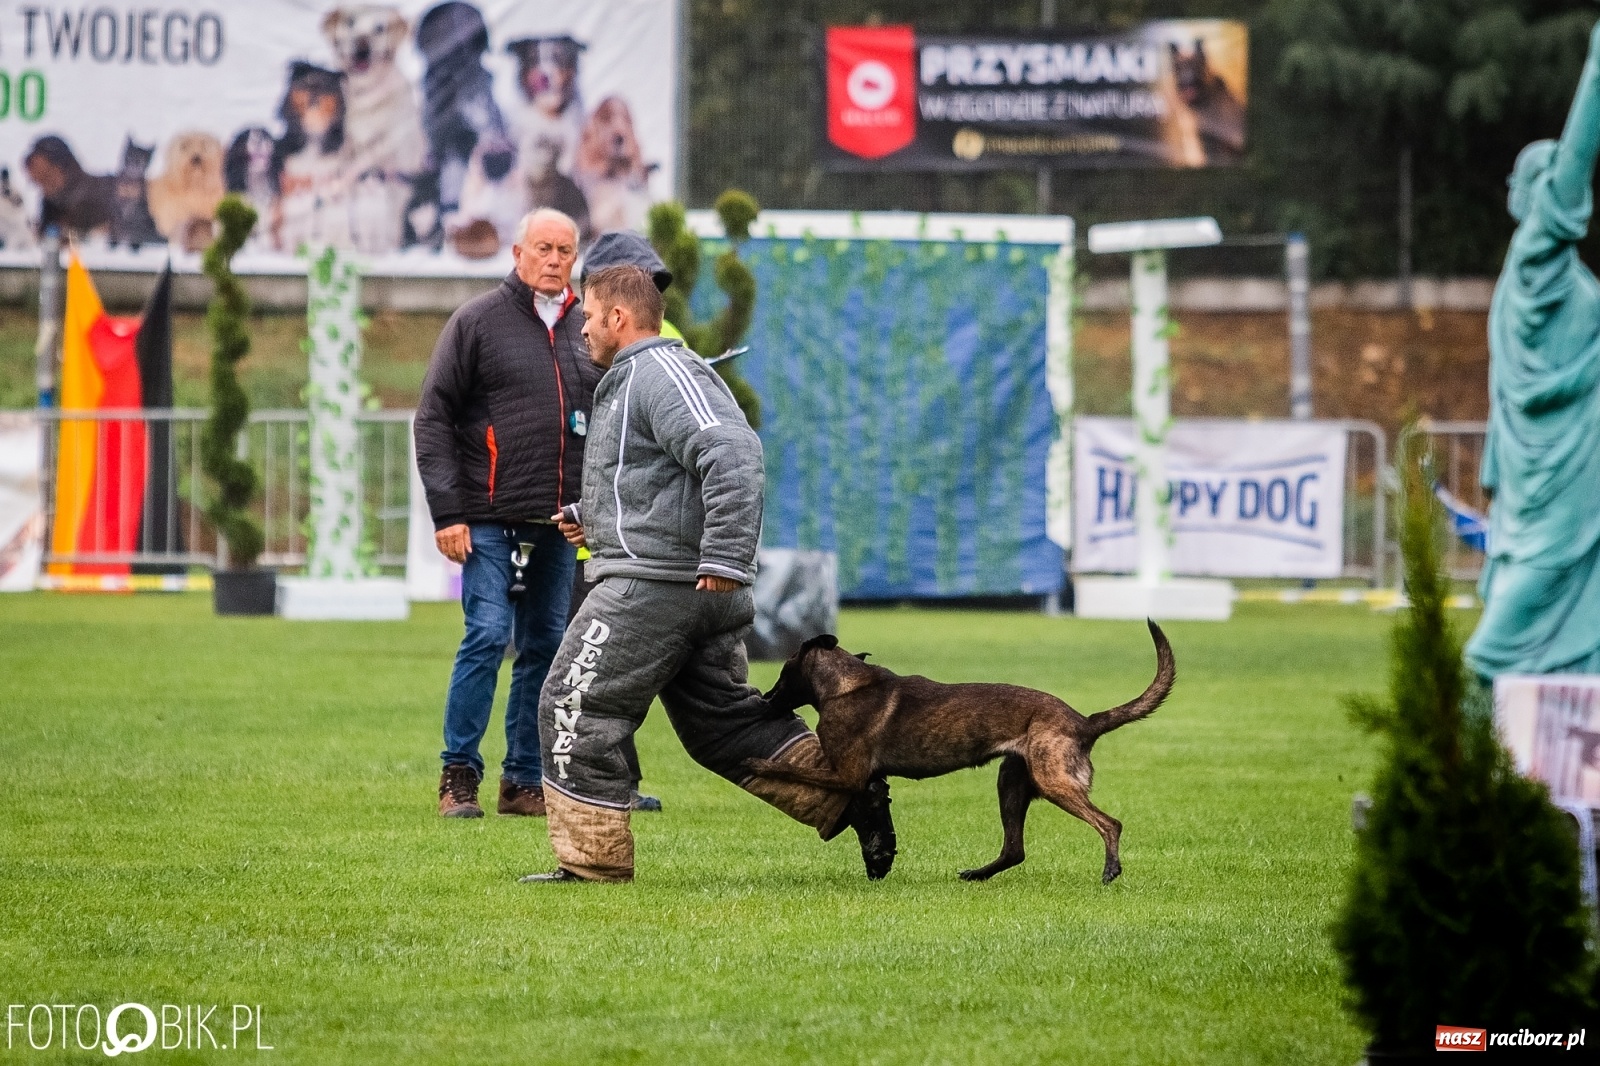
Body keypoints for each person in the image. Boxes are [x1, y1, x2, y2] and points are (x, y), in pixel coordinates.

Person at [519, 264, 896, 884]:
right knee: (724, 726)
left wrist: (723, 556)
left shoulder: (662, 370)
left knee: (574, 704)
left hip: (658, 588)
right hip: (681, 582)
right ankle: (846, 790)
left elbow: (733, 454)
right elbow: (659, 478)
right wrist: (596, 517)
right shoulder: (638, 377)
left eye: (586, 314)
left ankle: (591, 864)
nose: (581, 327)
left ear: (617, 316)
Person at [414, 207, 595, 818]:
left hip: (560, 521)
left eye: (565, 250)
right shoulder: (476, 321)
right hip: (486, 516)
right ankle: (457, 775)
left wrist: (590, 510)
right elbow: (433, 417)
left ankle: (523, 782)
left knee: (546, 644)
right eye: (542, 247)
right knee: (488, 635)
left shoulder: (588, 329)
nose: (553, 259)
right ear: (517, 254)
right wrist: (448, 513)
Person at [1466, 19, 1600, 680]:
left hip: (1573, 490)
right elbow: (1570, 180)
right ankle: (1456, 773)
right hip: (1542, 496)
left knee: (1571, 653)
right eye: (1545, 182)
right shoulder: (1535, 270)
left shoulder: (1572, 285)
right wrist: (1598, 74)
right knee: (1489, 658)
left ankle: (1555, 775)